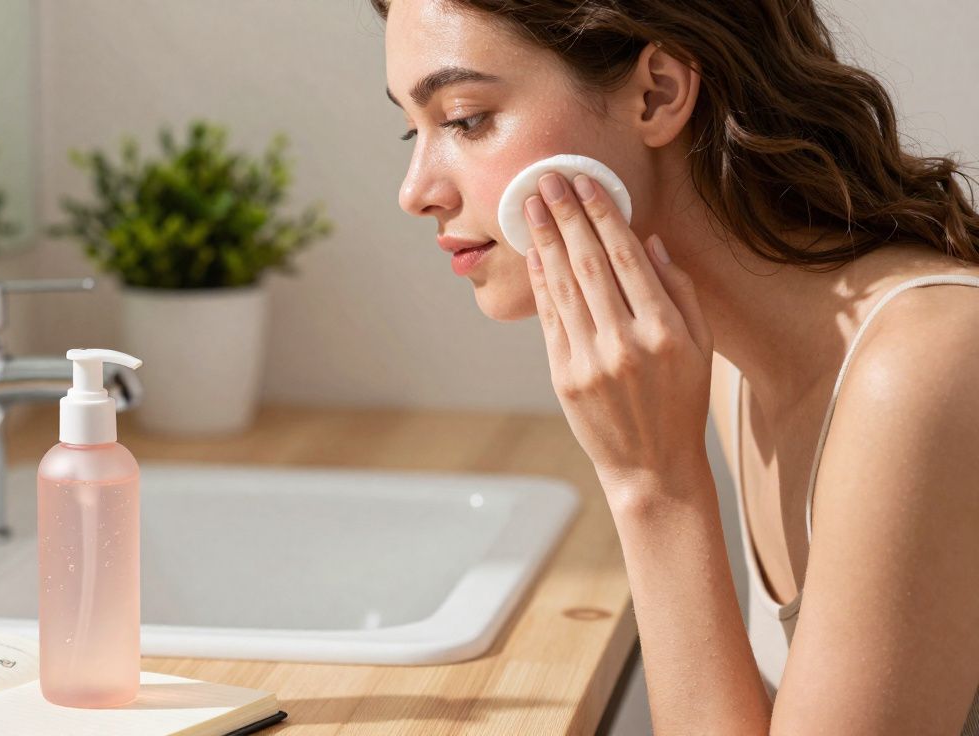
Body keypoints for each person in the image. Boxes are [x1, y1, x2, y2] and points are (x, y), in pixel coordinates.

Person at [373, 0, 979, 732]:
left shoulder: (925, 368)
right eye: (416, 127)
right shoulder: (728, 367)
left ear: (657, 92)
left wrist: (653, 486)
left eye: (465, 118)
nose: (416, 192)